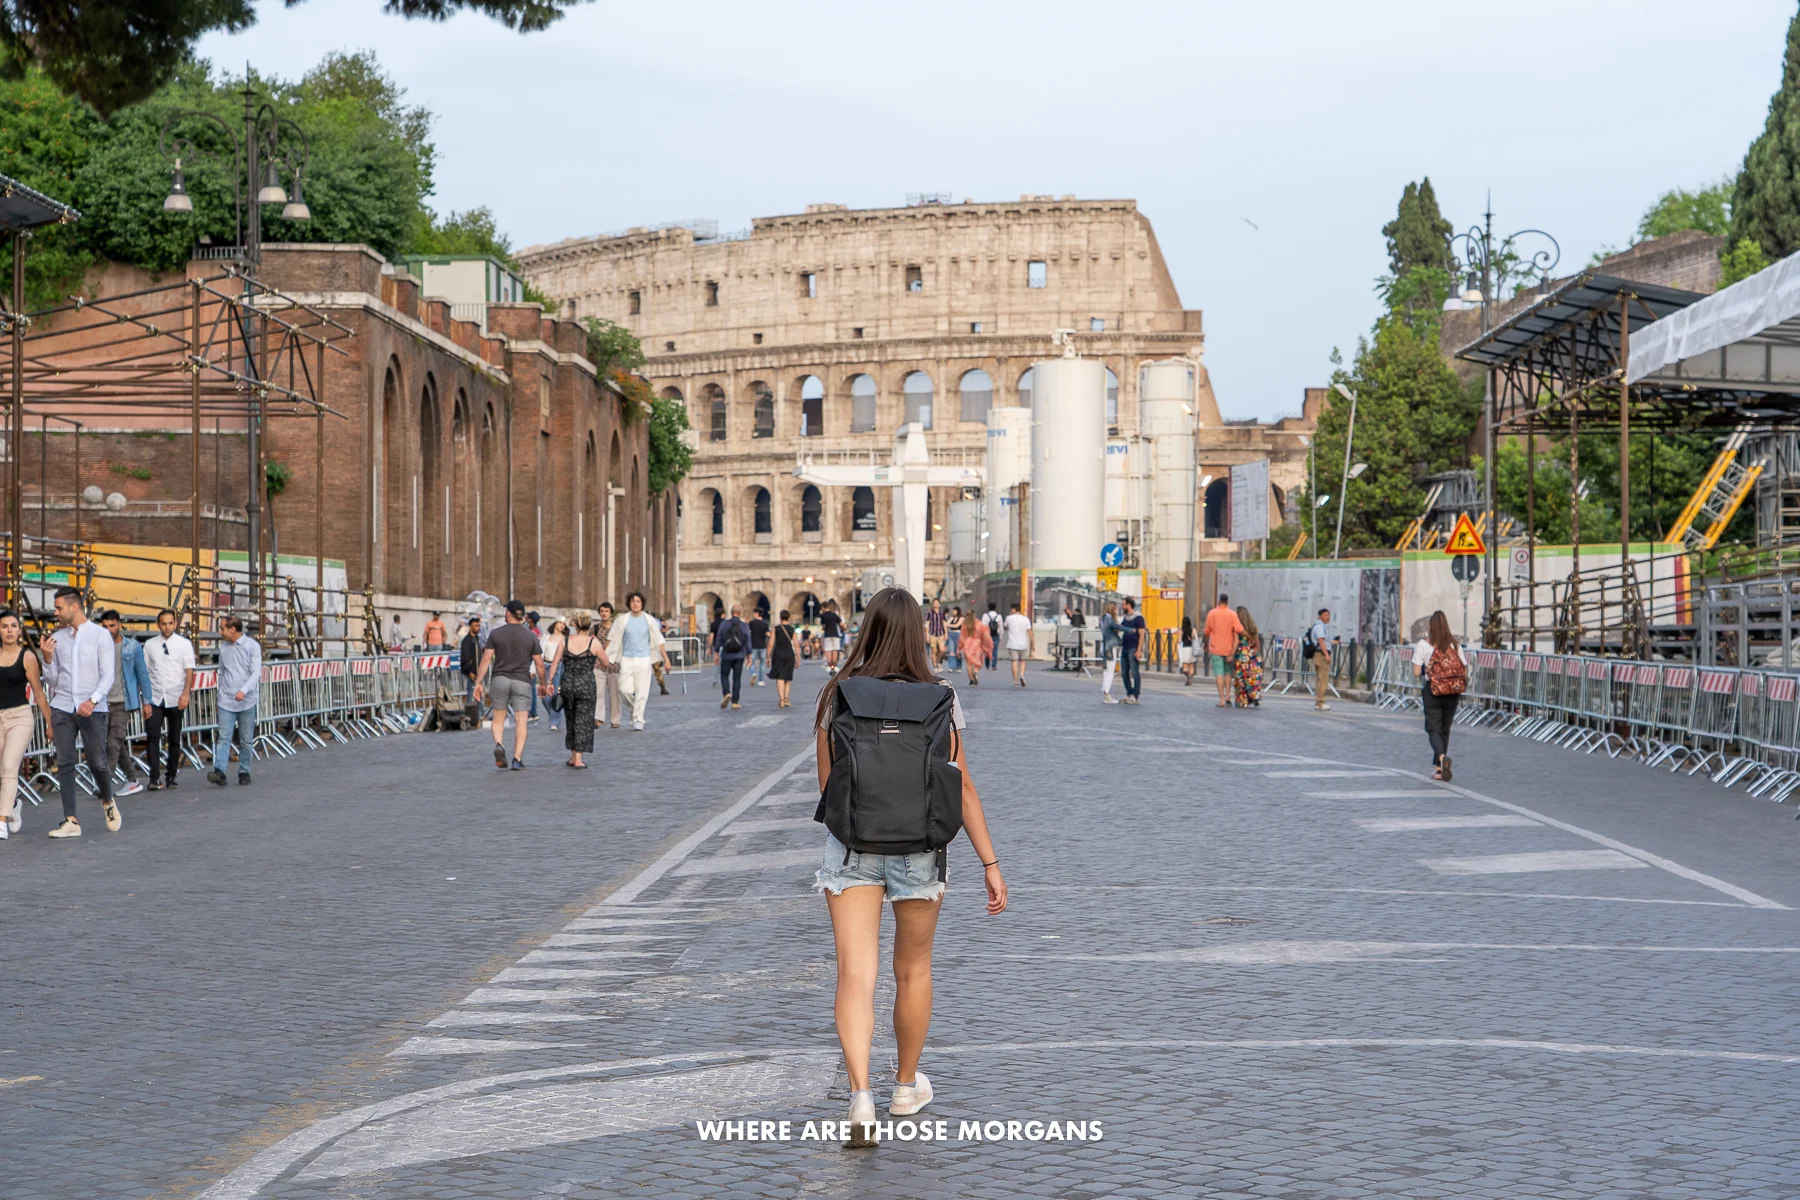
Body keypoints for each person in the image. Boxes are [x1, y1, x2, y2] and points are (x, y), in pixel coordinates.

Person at [813, 587, 1007, 1145]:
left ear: (867, 628)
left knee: (856, 974)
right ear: (919, 633)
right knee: (912, 971)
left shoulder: (836, 695)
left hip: (852, 848)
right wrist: (989, 863)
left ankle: (859, 1097)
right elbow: (961, 785)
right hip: (921, 849)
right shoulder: (941, 696)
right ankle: (903, 1086)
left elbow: (829, 789)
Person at [40, 587, 117, 837]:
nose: (56, 612)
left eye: (59, 607)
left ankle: (107, 800)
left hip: (92, 709)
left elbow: (108, 675)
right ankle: (70, 820)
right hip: (62, 707)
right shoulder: (57, 638)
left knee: (97, 762)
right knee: (65, 762)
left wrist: (93, 700)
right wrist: (47, 659)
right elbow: (51, 680)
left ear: (74, 607)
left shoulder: (100, 636)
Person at [0, 611, 54, 839]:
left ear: (19, 630)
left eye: (14, 626)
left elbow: (39, 694)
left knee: (10, 766)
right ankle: (12, 807)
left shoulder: (27, 657)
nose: (10, 630)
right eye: (4, 626)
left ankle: (1, 821)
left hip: (20, 717)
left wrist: (50, 724)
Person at [473, 600, 546, 770]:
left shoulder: (496, 634)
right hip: (522, 680)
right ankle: (517, 759)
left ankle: (499, 744)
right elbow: (539, 663)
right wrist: (543, 683)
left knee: (499, 717)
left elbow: (485, 660)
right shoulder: (530, 636)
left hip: (500, 679)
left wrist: (478, 683)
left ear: (508, 614)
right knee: (521, 720)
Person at [99, 610, 151, 797]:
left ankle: (105, 786)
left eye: (112, 625)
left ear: (119, 625)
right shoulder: (97, 646)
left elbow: (142, 675)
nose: (108, 630)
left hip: (123, 702)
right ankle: (132, 780)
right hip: (102, 703)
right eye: (104, 626)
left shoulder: (131, 647)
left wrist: (147, 702)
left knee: (113, 743)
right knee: (115, 744)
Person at [144, 609, 195, 791]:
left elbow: (189, 670)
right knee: (153, 737)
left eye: (170, 623)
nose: (167, 627)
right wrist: (146, 700)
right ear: (159, 625)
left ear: (175, 624)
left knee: (174, 738)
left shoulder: (184, 644)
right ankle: (154, 777)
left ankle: (171, 775)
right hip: (156, 696)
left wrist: (185, 694)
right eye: (163, 623)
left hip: (176, 696)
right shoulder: (150, 645)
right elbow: (145, 672)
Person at [1413, 610, 1467, 780]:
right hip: (1453, 690)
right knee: (1445, 728)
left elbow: (1416, 672)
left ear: (1431, 627)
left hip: (1434, 690)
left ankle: (1442, 759)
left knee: (1432, 728)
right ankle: (1438, 768)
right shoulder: (1455, 644)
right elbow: (1463, 665)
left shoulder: (1424, 644)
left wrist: (1427, 669)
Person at [208, 615, 260, 788]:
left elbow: (255, 673)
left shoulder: (252, 646)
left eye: (222, 628)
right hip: (226, 700)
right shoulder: (223, 648)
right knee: (223, 737)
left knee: (245, 739)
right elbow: (222, 672)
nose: (220, 632)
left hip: (246, 701)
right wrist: (220, 693)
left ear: (232, 629)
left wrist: (243, 691)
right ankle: (219, 771)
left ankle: (244, 771)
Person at [608, 592, 671, 730]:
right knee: (624, 690)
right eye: (632, 601)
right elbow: (611, 638)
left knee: (642, 690)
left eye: (638, 601)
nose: (635, 604)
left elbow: (659, 641)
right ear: (629, 604)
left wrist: (666, 659)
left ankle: (638, 719)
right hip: (626, 659)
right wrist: (605, 656)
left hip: (643, 659)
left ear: (642, 604)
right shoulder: (622, 620)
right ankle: (634, 709)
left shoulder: (649, 620)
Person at [558, 612, 604, 768]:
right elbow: (606, 661)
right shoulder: (593, 642)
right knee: (583, 721)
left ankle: (572, 756)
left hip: (568, 683)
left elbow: (556, 662)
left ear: (575, 625)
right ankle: (578, 759)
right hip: (586, 684)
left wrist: (549, 682)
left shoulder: (565, 641)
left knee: (570, 718)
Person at [1202, 594, 1245, 709]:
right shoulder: (1232, 614)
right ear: (1227, 602)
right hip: (1229, 650)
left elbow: (1206, 632)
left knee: (1219, 674)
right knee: (1227, 674)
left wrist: (1205, 643)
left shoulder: (1212, 614)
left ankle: (1221, 699)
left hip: (1216, 649)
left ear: (1219, 601)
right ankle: (1227, 696)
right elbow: (1239, 630)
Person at [713, 603, 752, 710]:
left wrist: (716, 653)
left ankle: (726, 693)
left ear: (731, 612)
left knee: (724, 675)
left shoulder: (724, 624)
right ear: (740, 613)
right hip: (739, 655)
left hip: (726, 654)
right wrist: (749, 656)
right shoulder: (744, 625)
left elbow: (719, 638)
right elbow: (748, 640)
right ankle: (735, 702)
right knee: (737, 678)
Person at [594, 602, 624, 730]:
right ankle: (598, 718)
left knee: (614, 693)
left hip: (613, 665)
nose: (604, 613)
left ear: (610, 613)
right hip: (598, 665)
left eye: (606, 611)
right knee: (598, 693)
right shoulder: (595, 628)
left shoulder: (617, 628)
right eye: (601, 611)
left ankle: (615, 719)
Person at [540, 618, 569, 734]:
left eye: (564, 624)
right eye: (560, 623)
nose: (562, 625)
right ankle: (554, 713)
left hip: (558, 667)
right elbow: (539, 653)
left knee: (556, 694)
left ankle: (554, 721)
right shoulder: (546, 637)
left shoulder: (565, 639)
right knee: (545, 697)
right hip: (546, 665)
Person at [1233, 606, 1264, 708]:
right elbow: (1257, 643)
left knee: (1241, 678)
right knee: (1253, 678)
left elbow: (1236, 641)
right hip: (1253, 655)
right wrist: (1259, 655)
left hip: (1242, 655)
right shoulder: (1253, 627)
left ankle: (1243, 700)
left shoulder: (1237, 627)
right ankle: (1255, 696)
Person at [1119, 597, 1147, 704]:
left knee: (1134, 673)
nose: (1122, 607)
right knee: (1124, 673)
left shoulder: (1138, 618)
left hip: (1133, 648)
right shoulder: (1126, 618)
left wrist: (1139, 650)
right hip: (1125, 648)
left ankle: (1135, 696)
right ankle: (1129, 693)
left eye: (1123, 605)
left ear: (1129, 605)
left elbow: (1141, 635)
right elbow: (1121, 628)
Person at [770, 608, 798, 708]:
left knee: (780, 677)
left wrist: (767, 656)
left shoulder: (776, 629)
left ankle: (781, 700)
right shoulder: (792, 629)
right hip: (789, 654)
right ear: (789, 617)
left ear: (780, 617)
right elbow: (796, 644)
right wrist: (798, 658)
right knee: (788, 677)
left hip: (778, 654)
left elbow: (770, 643)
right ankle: (786, 698)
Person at [1309, 607, 1335, 711]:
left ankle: (1318, 702)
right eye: (1325, 615)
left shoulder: (1321, 626)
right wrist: (1326, 654)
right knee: (1323, 679)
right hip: (1321, 655)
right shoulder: (1320, 627)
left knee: (1320, 679)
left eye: (1328, 615)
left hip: (1320, 654)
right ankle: (1321, 702)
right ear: (1320, 616)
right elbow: (1321, 641)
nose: (1327, 617)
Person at [1002, 602, 1033, 687]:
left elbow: (1005, 626)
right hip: (1023, 643)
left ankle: (1015, 681)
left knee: (1014, 662)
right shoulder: (1025, 619)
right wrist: (1033, 643)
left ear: (1013, 609)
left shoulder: (1009, 618)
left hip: (1012, 644)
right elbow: (1030, 632)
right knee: (1022, 661)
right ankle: (1022, 675)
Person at [1099, 600, 1122, 704]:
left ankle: (1106, 693)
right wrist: (1130, 630)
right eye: (1116, 609)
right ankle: (1107, 693)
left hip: (1104, 645)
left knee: (1106, 671)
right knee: (1110, 671)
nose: (1117, 611)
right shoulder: (1109, 618)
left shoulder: (1103, 618)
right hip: (1109, 647)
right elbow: (1117, 627)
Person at [959, 611, 990, 687]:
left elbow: (962, 636)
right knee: (978, 661)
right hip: (977, 643)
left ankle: (971, 680)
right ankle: (976, 671)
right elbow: (985, 633)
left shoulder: (965, 624)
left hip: (967, 643)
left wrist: (959, 647)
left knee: (969, 664)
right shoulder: (979, 623)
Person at [459, 616, 484, 709]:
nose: (478, 627)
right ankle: (471, 716)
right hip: (472, 673)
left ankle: (480, 715)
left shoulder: (478, 639)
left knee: (480, 696)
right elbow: (465, 658)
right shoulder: (466, 641)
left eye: (479, 625)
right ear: (470, 627)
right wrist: (469, 672)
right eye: (476, 625)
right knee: (471, 696)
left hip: (480, 673)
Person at [748, 608, 771, 687]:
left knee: (751, 662)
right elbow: (768, 634)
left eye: (754, 613)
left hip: (753, 645)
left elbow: (748, 632)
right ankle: (761, 681)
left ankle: (753, 673)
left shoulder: (752, 623)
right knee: (762, 664)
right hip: (762, 646)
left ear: (757, 613)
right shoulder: (765, 624)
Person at [819, 600, 844, 672]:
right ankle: (835, 665)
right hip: (835, 634)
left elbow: (823, 626)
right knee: (835, 650)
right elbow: (841, 624)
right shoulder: (834, 614)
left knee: (829, 650)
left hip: (827, 635)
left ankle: (830, 665)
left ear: (823, 607)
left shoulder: (823, 615)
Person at [924, 598, 948, 668]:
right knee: (934, 651)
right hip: (932, 634)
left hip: (941, 634)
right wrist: (927, 635)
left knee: (942, 649)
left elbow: (944, 623)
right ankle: (935, 666)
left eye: (937, 603)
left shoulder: (942, 613)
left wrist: (946, 633)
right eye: (934, 603)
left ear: (939, 604)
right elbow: (927, 624)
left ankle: (938, 661)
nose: (936, 604)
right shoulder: (930, 613)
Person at [1178, 616, 1197, 686]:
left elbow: (1179, 641)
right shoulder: (1193, 630)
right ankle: (1189, 679)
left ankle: (1188, 677)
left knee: (1184, 669)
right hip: (1192, 649)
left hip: (1185, 650)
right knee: (1191, 666)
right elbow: (1196, 639)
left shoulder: (1181, 631)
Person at [983, 604, 1001, 670]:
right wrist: (1000, 635)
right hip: (996, 635)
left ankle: (987, 665)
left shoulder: (985, 616)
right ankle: (994, 665)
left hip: (987, 635)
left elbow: (983, 626)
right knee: (995, 650)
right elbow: (1000, 627)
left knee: (987, 650)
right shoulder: (999, 616)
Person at [945, 606, 962, 671]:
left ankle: (958, 666)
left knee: (958, 652)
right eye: (953, 611)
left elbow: (957, 625)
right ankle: (951, 667)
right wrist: (948, 625)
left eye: (954, 610)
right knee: (951, 651)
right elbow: (946, 624)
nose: (953, 612)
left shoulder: (961, 618)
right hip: (951, 634)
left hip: (958, 635)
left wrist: (949, 625)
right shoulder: (951, 618)